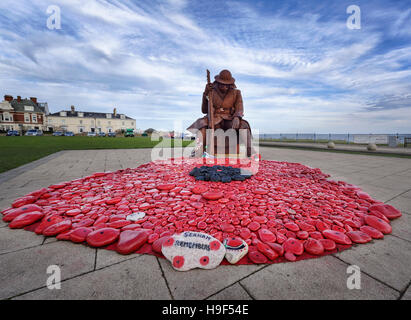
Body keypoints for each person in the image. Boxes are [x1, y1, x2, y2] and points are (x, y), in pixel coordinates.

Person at [187, 69, 253, 157]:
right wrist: (205, 93)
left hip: (230, 118)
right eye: (222, 84)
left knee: (244, 125)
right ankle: (198, 150)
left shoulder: (236, 93)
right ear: (218, 82)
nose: (224, 87)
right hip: (215, 118)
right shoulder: (211, 92)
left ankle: (250, 150)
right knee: (202, 125)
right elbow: (204, 110)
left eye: (227, 85)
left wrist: (237, 117)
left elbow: (239, 107)